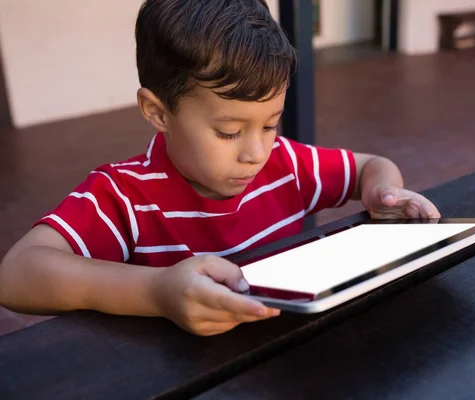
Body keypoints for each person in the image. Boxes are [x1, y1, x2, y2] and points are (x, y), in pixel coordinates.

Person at [0, 0, 440, 336]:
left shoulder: (286, 163)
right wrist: (155, 293)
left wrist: (385, 196)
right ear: (158, 112)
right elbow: (17, 275)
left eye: (270, 124)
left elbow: (371, 168)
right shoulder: (125, 196)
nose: (256, 152)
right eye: (229, 132)